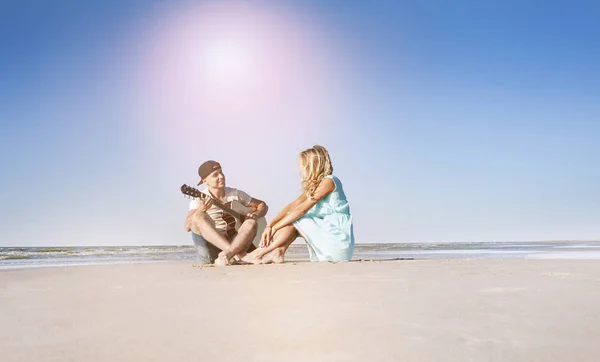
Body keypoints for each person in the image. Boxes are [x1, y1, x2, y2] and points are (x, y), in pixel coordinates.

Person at [248, 145, 355, 264]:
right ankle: (278, 252)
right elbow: (292, 206)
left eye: (303, 166)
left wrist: (275, 228)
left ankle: (258, 253)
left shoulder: (329, 181)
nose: (301, 170)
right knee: (293, 217)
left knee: (297, 218)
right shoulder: (316, 187)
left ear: (313, 165)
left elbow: (301, 211)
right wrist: (270, 225)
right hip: (330, 241)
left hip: (338, 243)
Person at [184, 160, 268, 266]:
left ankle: (229, 254)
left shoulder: (235, 194)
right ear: (205, 180)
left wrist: (256, 214)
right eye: (215, 175)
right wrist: (202, 209)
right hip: (211, 250)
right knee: (198, 216)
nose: (221, 176)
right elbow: (187, 226)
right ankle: (238, 256)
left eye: (221, 172)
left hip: (235, 243)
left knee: (251, 222)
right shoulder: (198, 200)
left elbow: (262, 205)